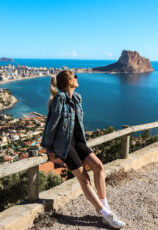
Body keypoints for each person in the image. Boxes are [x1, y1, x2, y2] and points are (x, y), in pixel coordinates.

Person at [41, 70, 126, 229]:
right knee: (84, 178)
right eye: (75, 76)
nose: (77, 78)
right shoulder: (60, 99)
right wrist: (50, 151)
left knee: (99, 166)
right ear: (68, 81)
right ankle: (106, 215)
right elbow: (50, 126)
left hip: (79, 142)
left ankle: (104, 207)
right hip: (64, 145)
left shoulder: (77, 98)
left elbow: (78, 124)